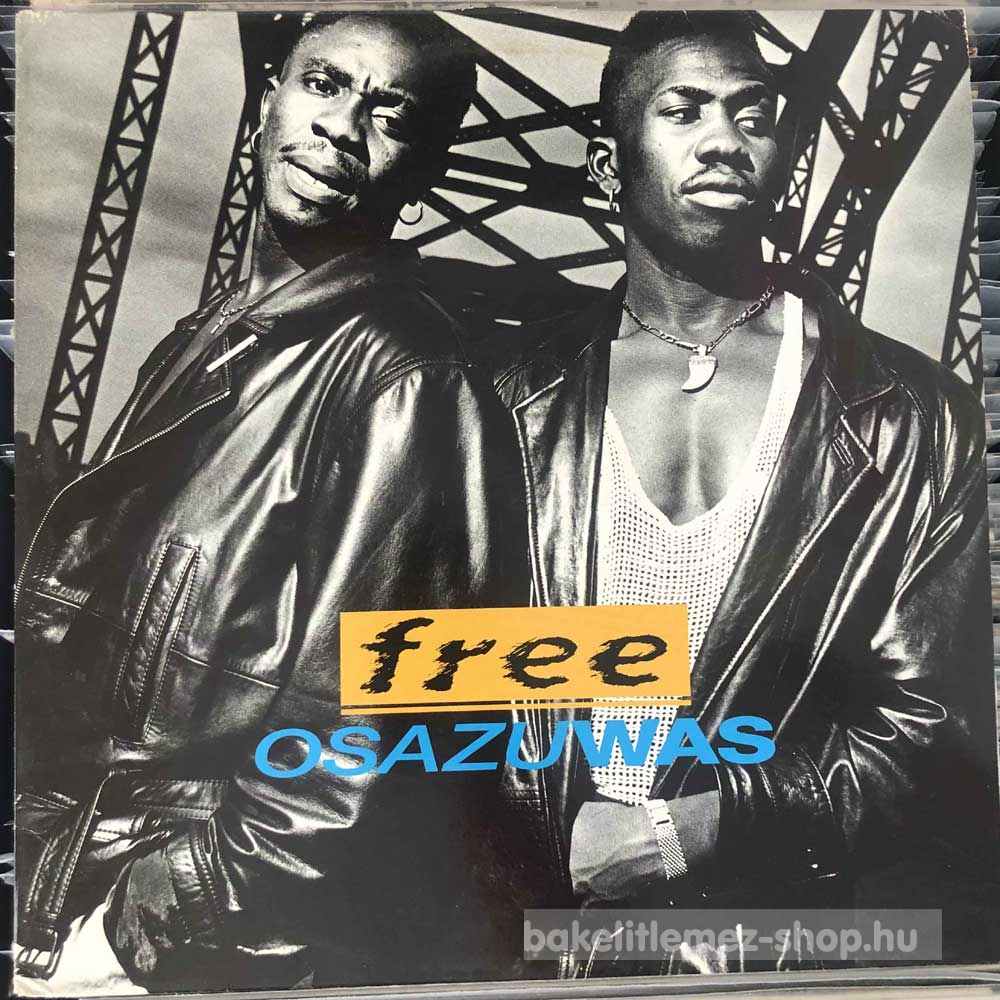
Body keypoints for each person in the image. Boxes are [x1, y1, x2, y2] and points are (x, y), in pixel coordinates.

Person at [16, 12, 525, 993]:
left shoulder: (405, 381)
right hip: (72, 876)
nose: (341, 127)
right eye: (323, 85)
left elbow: (362, 744)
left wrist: (126, 940)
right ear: (266, 104)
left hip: (172, 936)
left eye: (391, 116)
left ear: (425, 173)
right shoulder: (205, 337)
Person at [493, 11, 995, 977]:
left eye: (754, 115)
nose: (726, 138)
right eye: (683, 111)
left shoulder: (913, 415)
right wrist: (537, 830)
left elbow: (935, 731)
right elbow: (425, 671)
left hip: (772, 948)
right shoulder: (513, 397)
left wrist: (689, 832)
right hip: (534, 941)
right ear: (608, 166)